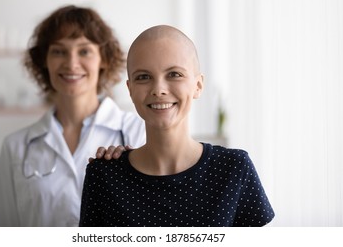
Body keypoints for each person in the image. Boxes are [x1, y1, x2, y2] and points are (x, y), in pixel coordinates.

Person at [79, 25, 275, 227]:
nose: (159, 89)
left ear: (197, 86)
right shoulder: (103, 176)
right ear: (130, 89)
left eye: (174, 74)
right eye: (144, 77)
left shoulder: (234, 168)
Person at [0, 5, 145, 227]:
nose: (72, 63)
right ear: (44, 60)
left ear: (104, 58)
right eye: (58, 51)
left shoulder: (138, 132)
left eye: (84, 51)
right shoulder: (15, 147)